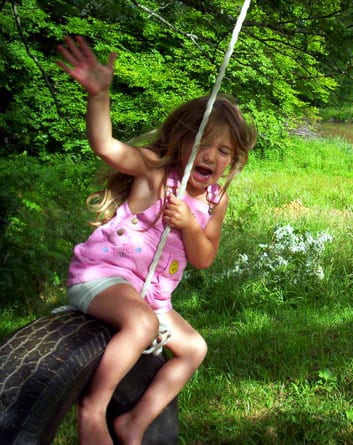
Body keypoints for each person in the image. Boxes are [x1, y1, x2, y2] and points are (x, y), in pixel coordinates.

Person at [57, 35, 256, 445]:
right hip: (103, 277)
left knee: (194, 348)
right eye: (203, 143)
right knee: (143, 324)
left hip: (151, 297)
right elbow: (106, 146)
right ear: (181, 140)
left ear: (232, 161)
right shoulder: (155, 171)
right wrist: (99, 95)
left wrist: (187, 225)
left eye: (224, 151)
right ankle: (93, 408)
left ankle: (134, 424)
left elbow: (203, 258)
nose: (212, 157)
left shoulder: (216, 199)